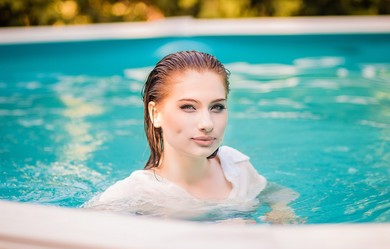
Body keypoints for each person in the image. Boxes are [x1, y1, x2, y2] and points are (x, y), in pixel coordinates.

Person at [85, 50, 299, 223]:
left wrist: (281, 211)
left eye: (217, 107)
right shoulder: (135, 194)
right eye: (188, 107)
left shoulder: (235, 166)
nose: (207, 124)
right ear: (155, 114)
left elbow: (273, 192)